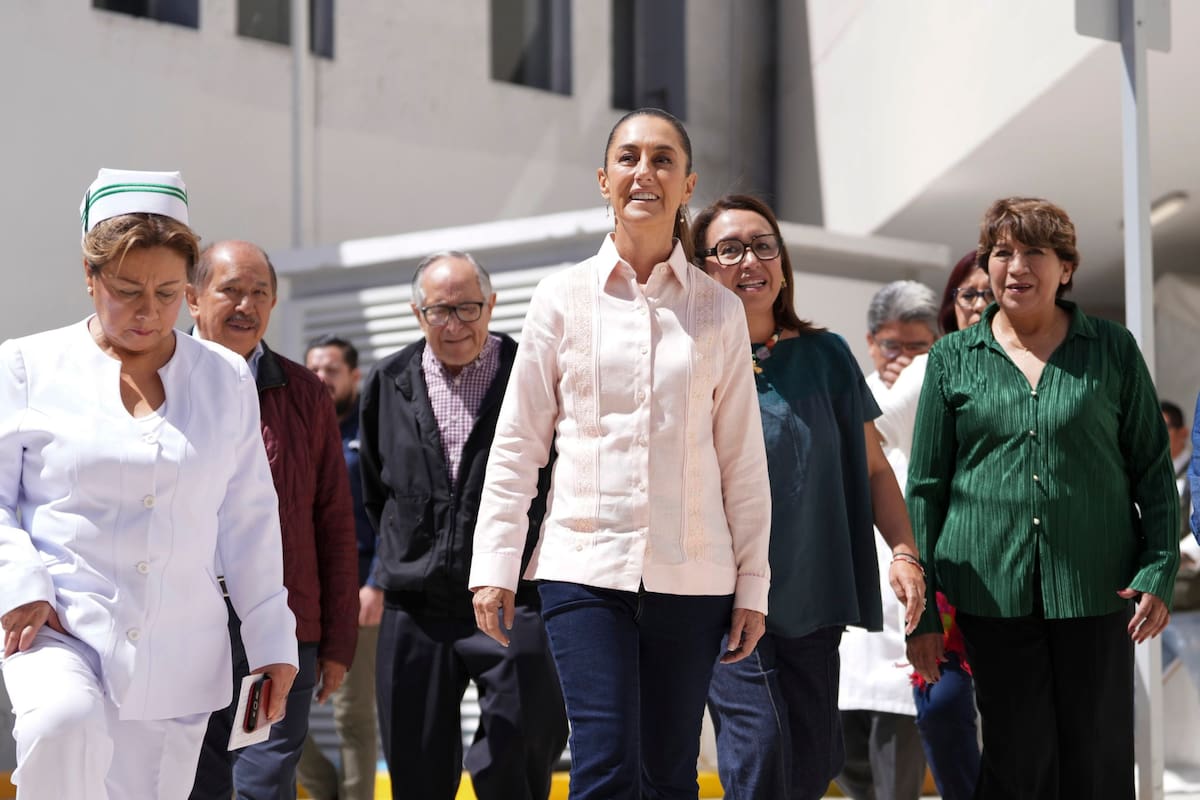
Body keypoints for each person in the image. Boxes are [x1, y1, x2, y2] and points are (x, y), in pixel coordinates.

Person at [469, 108, 772, 800]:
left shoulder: (717, 312)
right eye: (629, 159)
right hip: (584, 569)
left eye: (664, 159)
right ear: (603, 181)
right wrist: (496, 565)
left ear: (687, 182)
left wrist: (753, 583)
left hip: (694, 578)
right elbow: (519, 443)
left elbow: (741, 461)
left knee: (669, 775)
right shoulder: (560, 298)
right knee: (603, 766)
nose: (646, 172)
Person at [0, 169, 298, 800]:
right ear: (89, 277)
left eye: (167, 293)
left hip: (180, 648)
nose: (148, 311)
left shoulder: (224, 377)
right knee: (61, 725)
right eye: (127, 289)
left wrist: (271, 637)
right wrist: (17, 587)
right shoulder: (25, 366)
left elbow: (248, 517)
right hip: (58, 623)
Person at [907, 197, 1180, 800]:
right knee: (1017, 759)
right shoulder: (952, 358)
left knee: (1098, 756)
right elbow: (924, 490)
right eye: (1002, 252)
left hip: (1098, 586)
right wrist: (923, 612)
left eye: (1035, 251)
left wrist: (1159, 567)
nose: (1016, 266)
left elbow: (1153, 471)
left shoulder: (1112, 350)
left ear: (1066, 268)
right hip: (988, 591)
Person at [692, 196, 927, 800]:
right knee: (762, 746)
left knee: (816, 755)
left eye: (763, 245)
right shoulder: (684, 359)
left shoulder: (827, 357)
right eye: (730, 249)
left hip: (813, 595)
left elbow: (875, 469)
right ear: (701, 266)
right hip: (722, 599)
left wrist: (903, 551)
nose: (750, 260)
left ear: (783, 263)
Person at [359, 251, 567, 800]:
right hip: (415, 601)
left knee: (521, 744)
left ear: (492, 304)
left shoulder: (531, 374)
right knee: (415, 762)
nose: (454, 325)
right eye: (439, 311)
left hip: (511, 593)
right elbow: (376, 495)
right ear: (416, 312)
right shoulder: (387, 381)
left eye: (468, 308)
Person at [188, 242, 359, 800]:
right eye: (231, 289)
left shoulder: (305, 391)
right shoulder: (161, 383)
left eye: (259, 292)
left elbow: (333, 520)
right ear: (193, 298)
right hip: (183, 631)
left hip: (280, 635)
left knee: (261, 780)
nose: (246, 304)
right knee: (195, 783)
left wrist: (336, 641)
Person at [903, 254, 987, 800]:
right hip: (941, 577)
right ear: (950, 307)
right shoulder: (930, 369)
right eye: (967, 294)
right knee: (943, 706)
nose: (979, 305)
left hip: (1011, 577)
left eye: (989, 294)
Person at [296, 335, 380, 800]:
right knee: (275, 707)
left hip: (358, 591)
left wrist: (377, 583)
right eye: (314, 370)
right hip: (303, 590)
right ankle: (327, 789)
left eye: (331, 370)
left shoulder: (372, 431)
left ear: (354, 376)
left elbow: (395, 511)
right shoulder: (299, 427)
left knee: (352, 715)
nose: (321, 379)